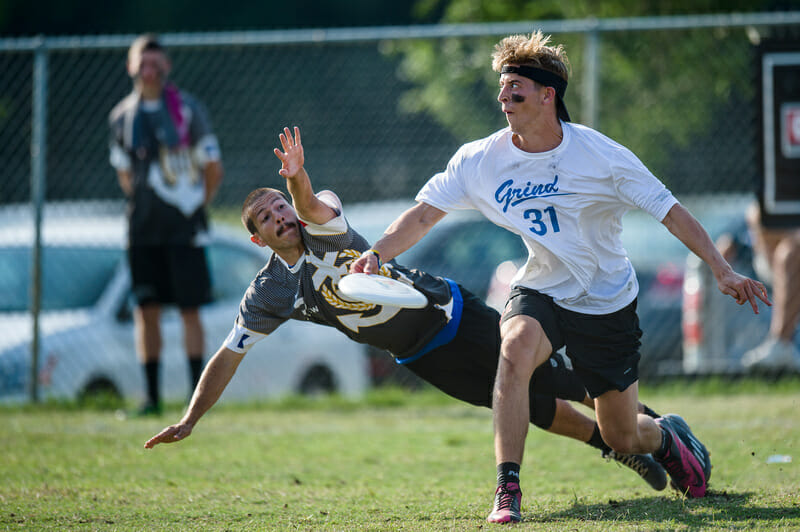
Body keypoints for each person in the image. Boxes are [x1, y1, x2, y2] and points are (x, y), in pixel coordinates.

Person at [350, 31, 771, 523]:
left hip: (605, 299)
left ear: (548, 95)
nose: (504, 98)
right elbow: (423, 216)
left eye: (517, 90)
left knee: (621, 436)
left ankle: (670, 436)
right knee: (514, 351)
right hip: (541, 287)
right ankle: (508, 487)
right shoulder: (480, 160)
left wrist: (721, 269)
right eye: (502, 89)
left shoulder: (600, 155)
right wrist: (376, 254)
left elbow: (670, 211)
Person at [145, 126, 669, 495]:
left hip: (450, 314)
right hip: (419, 355)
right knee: (530, 406)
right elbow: (227, 356)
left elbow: (308, 202)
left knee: (566, 380)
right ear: (255, 238)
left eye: (279, 206)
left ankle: (657, 432)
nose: (280, 216)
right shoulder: (269, 294)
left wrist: (296, 180)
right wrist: (191, 418)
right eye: (267, 217)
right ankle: (616, 445)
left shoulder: (322, 224)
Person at [109, 34, 224, 415]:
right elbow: (125, 174)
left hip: (184, 229)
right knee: (147, 309)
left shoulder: (188, 110)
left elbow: (212, 166)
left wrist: (192, 206)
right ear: (130, 67)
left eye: (157, 62)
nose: (150, 69)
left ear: (167, 67)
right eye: (144, 62)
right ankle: (152, 398)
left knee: (190, 309)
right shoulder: (122, 116)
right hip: (142, 231)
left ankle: (196, 397)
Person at [738, 202, 800, 370]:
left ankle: (781, 342)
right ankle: (781, 345)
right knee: (756, 213)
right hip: (773, 282)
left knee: (789, 254)